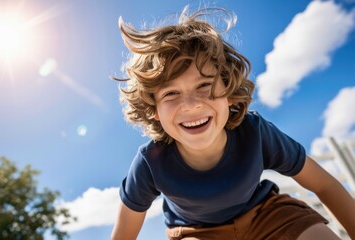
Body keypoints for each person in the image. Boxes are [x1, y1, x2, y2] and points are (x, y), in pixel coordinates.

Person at [111, 6, 355, 240]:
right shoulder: (150, 163)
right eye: (170, 94)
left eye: (204, 85)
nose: (190, 104)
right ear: (154, 110)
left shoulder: (255, 132)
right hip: (196, 232)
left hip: (267, 214)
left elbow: (325, 185)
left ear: (228, 92)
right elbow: (123, 235)